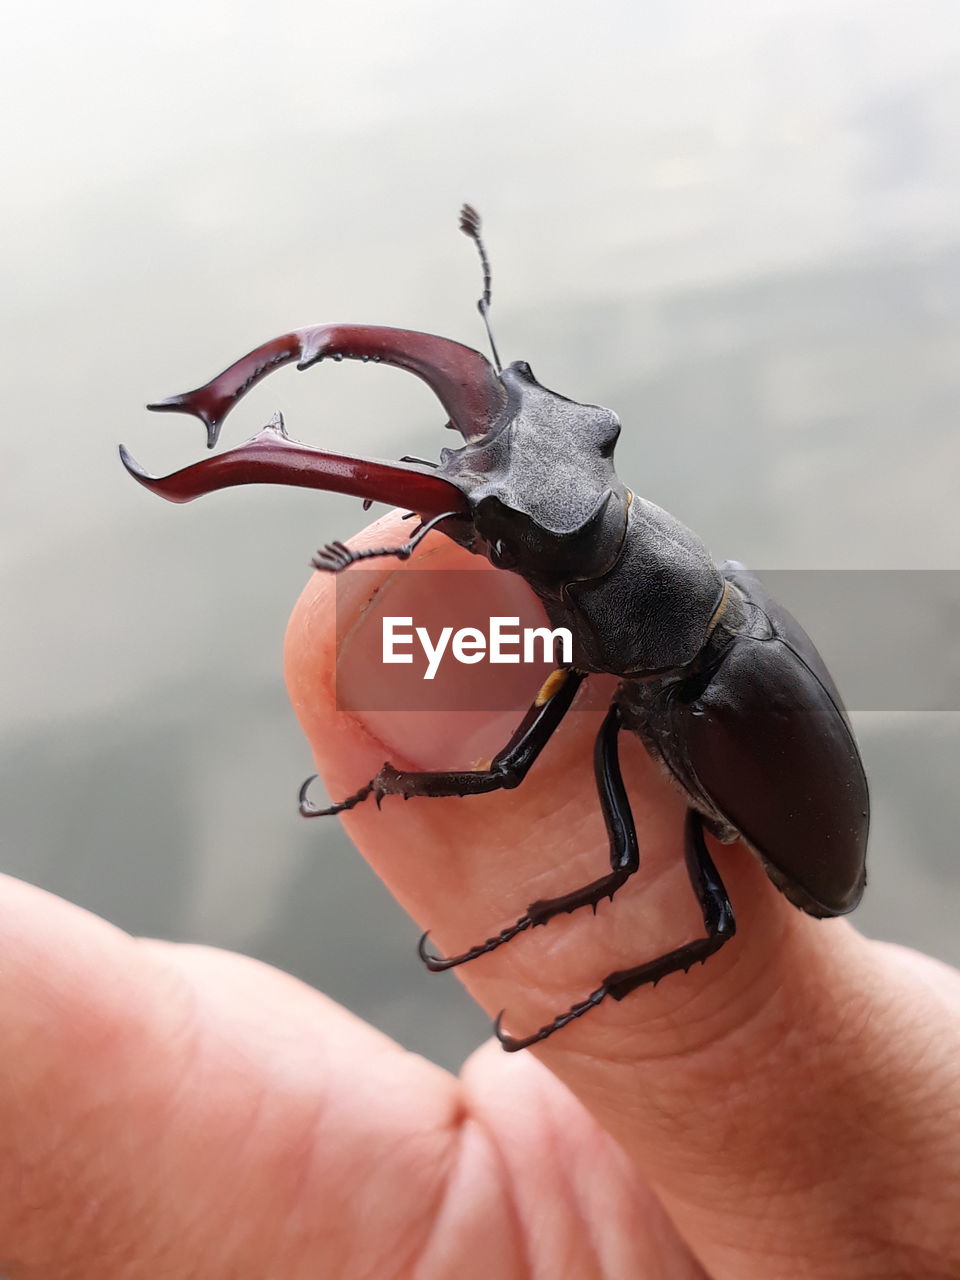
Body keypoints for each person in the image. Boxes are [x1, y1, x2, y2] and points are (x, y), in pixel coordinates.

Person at [2, 512, 958, 1278]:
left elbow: (514, 779)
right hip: (726, 685)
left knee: (678, 895)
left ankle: (566, 955)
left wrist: (415, 807)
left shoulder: (681, 669)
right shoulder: (711, 597)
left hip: (783, 818)